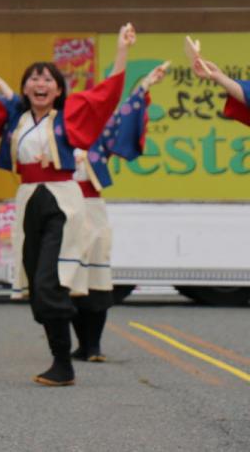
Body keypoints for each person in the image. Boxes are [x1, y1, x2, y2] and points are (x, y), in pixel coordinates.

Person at [0, 21, 135, 386]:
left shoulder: (68, 116)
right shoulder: (16, 118)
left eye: (48, 79)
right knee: (37, 286)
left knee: (50, 279)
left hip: (63, 200)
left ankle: (63, 363)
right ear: (25, 88)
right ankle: (62, 356)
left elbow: (106, 95)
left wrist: (122, 50)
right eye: (34, 79)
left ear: (58, 90)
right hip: (28, 198)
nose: (41, 84)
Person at [68, 62, 167, 363]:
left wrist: (146, 84)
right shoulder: (58, 131)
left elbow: (126, 112)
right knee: (71, 278)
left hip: (93, 210)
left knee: (97, 276)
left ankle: (94, 345)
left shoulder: (100, 134)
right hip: (66, 208)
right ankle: (83, 345)